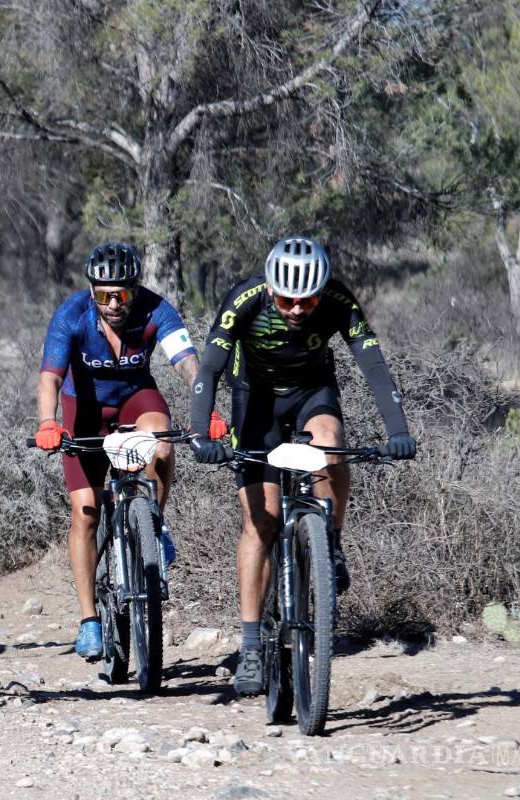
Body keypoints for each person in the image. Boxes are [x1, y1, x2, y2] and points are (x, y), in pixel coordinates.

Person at [188, 236, 416, 696]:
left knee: (331, 442)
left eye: (306, 300)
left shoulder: (337, 299)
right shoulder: (245, 299)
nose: (296, 309)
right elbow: (210, 368)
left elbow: (373, 364)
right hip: (255, 402)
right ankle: (252, 647)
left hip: (313, 391)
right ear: (272, 289)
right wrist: (199, 434)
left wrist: (398, 430)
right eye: (287, 299)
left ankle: (329, 542)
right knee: (262, 522)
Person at [34, 242, 226, 661]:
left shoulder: (157, 310)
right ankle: (88, 620)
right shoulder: (72, 314)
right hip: (82, 409)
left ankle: (153, 524)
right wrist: (48, 422)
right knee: (85, 511)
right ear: (91, 290)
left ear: (136, 290)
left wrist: (204, 409)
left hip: (137, 398)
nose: (114, 303)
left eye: (122, 293)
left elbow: (188, 363)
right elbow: (50, 378)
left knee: (160, 439)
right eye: (103, 294)